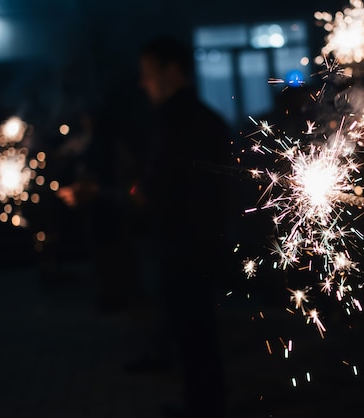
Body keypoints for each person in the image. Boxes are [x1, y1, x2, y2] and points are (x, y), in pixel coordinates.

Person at [135, 35, 230, 418]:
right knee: (193, 335)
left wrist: (139, 197)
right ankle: (201, 404)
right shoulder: (190, 119)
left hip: (188, 247)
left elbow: (177, 188)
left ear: (173, 72)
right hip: (189, 244)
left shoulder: (185, 122)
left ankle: (205, 408)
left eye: (148, 74)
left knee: (195, 334)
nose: (143, 83)